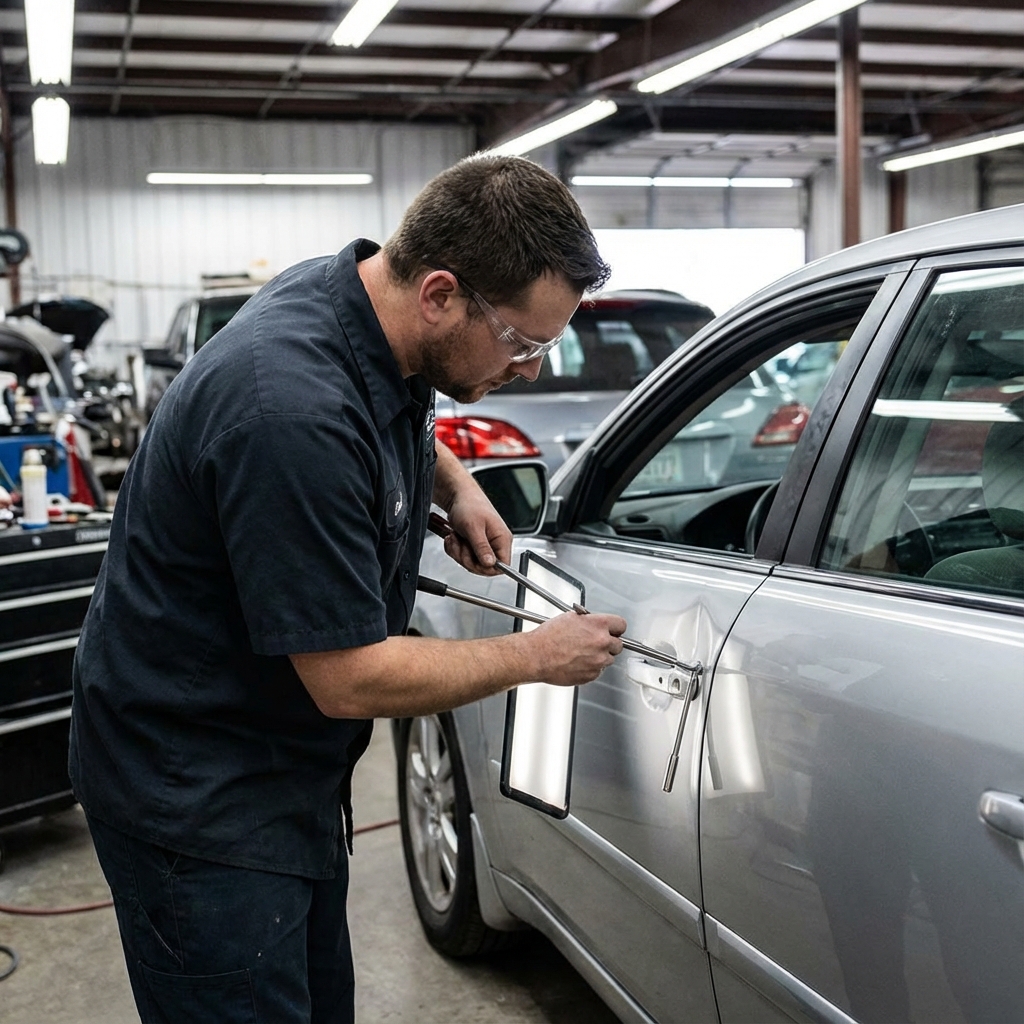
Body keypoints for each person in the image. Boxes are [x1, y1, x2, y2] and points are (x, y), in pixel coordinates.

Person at [70, 154, 626, 1024]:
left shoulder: (355, 298)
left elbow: (395, 400)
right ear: (439, 294)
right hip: (197, 794)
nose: (531, 370)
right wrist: (537, 656)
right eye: (523, 343)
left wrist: (453, 482)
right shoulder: (288, 413)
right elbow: (350, 678)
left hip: (279, 771)